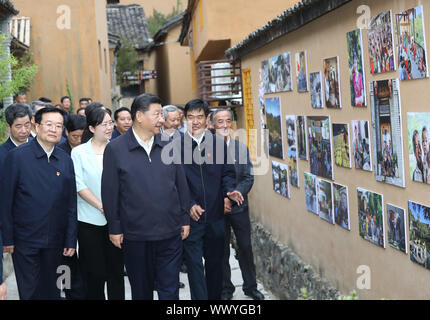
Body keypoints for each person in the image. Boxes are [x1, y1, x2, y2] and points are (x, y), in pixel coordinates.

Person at [101, 93, 191, 300]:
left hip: (170, 232)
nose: (162, 119)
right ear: (139, 116)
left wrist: (184, 217)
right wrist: (114, 227)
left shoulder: (169, 144)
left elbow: (181, 184)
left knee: (170, 291)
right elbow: (110, 191)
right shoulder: (115, 149)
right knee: (141, 291)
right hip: (135, 236)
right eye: (157, 114)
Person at [0, 107, 77, 300]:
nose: (53, 129)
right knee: (31, 292)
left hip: (56, 241)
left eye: (58, 126)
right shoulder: (17, 157)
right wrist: (7, 238)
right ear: (37, 125)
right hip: (25, 241)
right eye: (49, 124)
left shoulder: (65, 160)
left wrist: (70, 239)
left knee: (53, 291)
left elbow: (70, 204)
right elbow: (6, 199)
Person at [179, 99, 244, 300]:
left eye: (200, 117)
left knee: (215, 264)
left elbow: (227, 173)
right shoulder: (176, 146)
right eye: (191, 117)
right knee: (195, 266)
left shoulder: (217, 143)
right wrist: (189, 204)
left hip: (216, 216)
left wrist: (230, 191)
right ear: (185, 119)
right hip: (192, 219)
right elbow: (175, 183)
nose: (195, 121)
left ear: (207, 119)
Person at [71, 107, 125, 300]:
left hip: (116, 222)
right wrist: (103, 206)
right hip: (89, 221)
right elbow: (79, 184)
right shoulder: (79, 153)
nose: (109, 127)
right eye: (104, 124)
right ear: (92, 128)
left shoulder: (119, 149)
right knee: (94, 273)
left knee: (116, 273)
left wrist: (113, 210)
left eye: (111, 123)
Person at [211, 109, 264, 301]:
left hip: (239, 206)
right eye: (220, 122)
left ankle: (251, 287)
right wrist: (223, 198)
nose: (224, 125)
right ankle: (226, 289)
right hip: (217, 208)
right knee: (221, 250)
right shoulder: (205, 151)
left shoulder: (241, 148)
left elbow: (248, 177)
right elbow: (208, 182)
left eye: (227, 121)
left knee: (246, 247)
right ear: (213, 125)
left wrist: (235, 195)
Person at [0, 104, 32, 170]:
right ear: (8, 126)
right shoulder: (2, 154)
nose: (24, 131)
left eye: (27, 125)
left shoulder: (39, 145)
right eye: (18, 126)